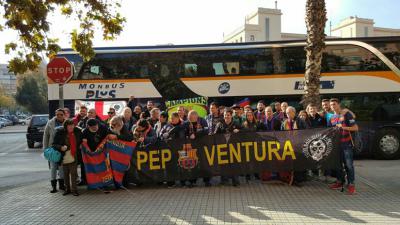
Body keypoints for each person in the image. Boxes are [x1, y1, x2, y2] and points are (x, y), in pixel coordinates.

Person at [328, 98, 358, 195]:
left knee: (349, 165)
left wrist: (343, 127)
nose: (333, 106)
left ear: (339, 105)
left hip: (347, 145)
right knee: (338, 165)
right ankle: (340, 182)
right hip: (336, 145)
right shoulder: (331, 117)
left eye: (334, 104)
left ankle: (351, 185)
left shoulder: (346, 114)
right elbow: (330, 131)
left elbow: (355, 128)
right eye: (331, 105)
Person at [52, 119, 82, 196]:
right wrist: (61, 147)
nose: (71, 127)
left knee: (73, 173)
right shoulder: (60, 132)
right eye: (69, 125)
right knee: (65, 173)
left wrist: (81, 144)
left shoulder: (77, 131)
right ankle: (67, 189)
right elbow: (54, 144)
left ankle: (74, 190)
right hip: (64, 155)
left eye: (72, 125)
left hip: (74, 154)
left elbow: (81, 140)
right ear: (66, 126)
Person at [214, 108, 241, 186]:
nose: (226, 116)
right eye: (225, 115)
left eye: (228, 115)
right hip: (223, 148)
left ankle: (235, 181)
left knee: (234, 164)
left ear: (231, 115)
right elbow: (214, 134)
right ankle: (224, 180)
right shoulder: (220, 124)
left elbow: (245, 130)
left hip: (234, 148)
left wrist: (239, 131)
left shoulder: (236, 123)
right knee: (223, 164)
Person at [281, 106, 307, 186]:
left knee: (298, 163)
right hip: (288, 145)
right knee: (290, 163)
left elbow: (306, 132)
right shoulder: (284, 122)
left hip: (298, 145)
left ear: (294, 112)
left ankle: (299, 179)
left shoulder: (300, 121)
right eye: (286, 113)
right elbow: (281, 133)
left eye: (289, 112)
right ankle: (291, 179)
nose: (287, 114)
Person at [182, 110, 208, 187]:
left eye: (191, 118)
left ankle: (206, 180)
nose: (189, 120)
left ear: (196, 117)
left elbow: (206, 130)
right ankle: (192, 181)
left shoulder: (202, 120)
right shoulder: (187, 122)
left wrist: (195, 134)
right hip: (191, 146)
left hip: (202, 145)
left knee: (204, 163)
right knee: (192, 163)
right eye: (189, 118)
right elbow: (183, 130)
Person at [43, 108, 66, 193]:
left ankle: (62, 185)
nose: (59, 116)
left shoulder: (67, 123)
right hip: (52, 149)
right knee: (53, 168)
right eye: (57, 114)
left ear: (64, 115)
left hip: (63, 149)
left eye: (61, 114)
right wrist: (45, 149)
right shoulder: (50, 123)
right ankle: (53, 187)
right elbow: (45, 136)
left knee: (61, 168)